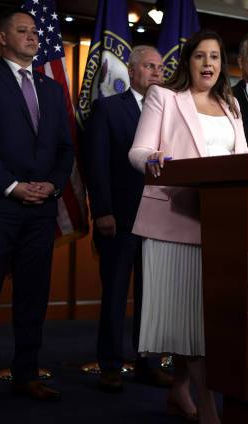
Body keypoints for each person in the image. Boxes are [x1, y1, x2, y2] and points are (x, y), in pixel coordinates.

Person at [128, 29, 248, 424]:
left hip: (222, 224)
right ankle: (209, 407)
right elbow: (139, 150)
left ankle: (179, 390)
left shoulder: (231, 105)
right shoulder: (164, 97)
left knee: (199, 317)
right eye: (200, 56)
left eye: (215, 56)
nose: (209, 63)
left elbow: (244, 159)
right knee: (191, 321)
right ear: (188, 61)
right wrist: (153, 159)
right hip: (175, 220)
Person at [0, 10, 73, 410]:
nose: (32, 37)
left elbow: (64, 148)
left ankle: (26, 375)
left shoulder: (53, 88)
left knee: (32, 298)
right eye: (22, 31)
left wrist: (53, 185)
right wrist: (12, 187)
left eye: (34, 31)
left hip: (40, 209)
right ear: (1, 37)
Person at [82, 45, 172, 392]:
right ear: (131, 72)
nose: (156, 73)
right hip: (119, 219)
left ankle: (146, 365)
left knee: (152, 299)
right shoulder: (108, 108)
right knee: (116, 294)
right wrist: (102, 210)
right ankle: (110, 365)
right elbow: (97, 163)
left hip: (159, 219)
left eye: (160, 68)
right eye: (149, 67)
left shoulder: (168, 112)